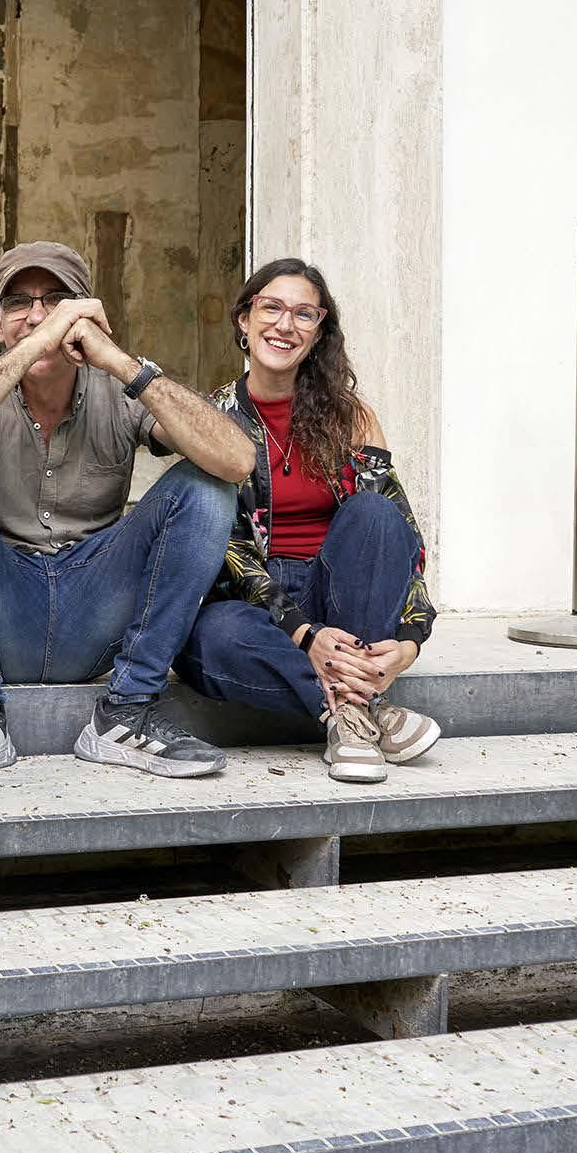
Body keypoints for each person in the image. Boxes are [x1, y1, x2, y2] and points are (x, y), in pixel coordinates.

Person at [0, 240, 254, 784]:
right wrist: (30, 349)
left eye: (56, 302)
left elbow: (236, 461)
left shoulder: (119, 378)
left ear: (86, 314)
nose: (38, 315)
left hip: (94, 611)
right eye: (19, 302)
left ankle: (127, 710)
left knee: (208, 487)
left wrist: (119, 361)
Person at [178, 258, 440, 785]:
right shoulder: (215, 418)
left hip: (343, 591)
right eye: (271, 308)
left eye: (304, 314)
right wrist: (303, 632)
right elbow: (230, 552)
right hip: (259, 603)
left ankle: (349, 714)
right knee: (209, 636)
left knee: (375, 511)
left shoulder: (352, 417)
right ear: (244, 319)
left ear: (319, 333)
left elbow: (402, 537)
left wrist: (411, 639)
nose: (285, 325)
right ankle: (364, 710)